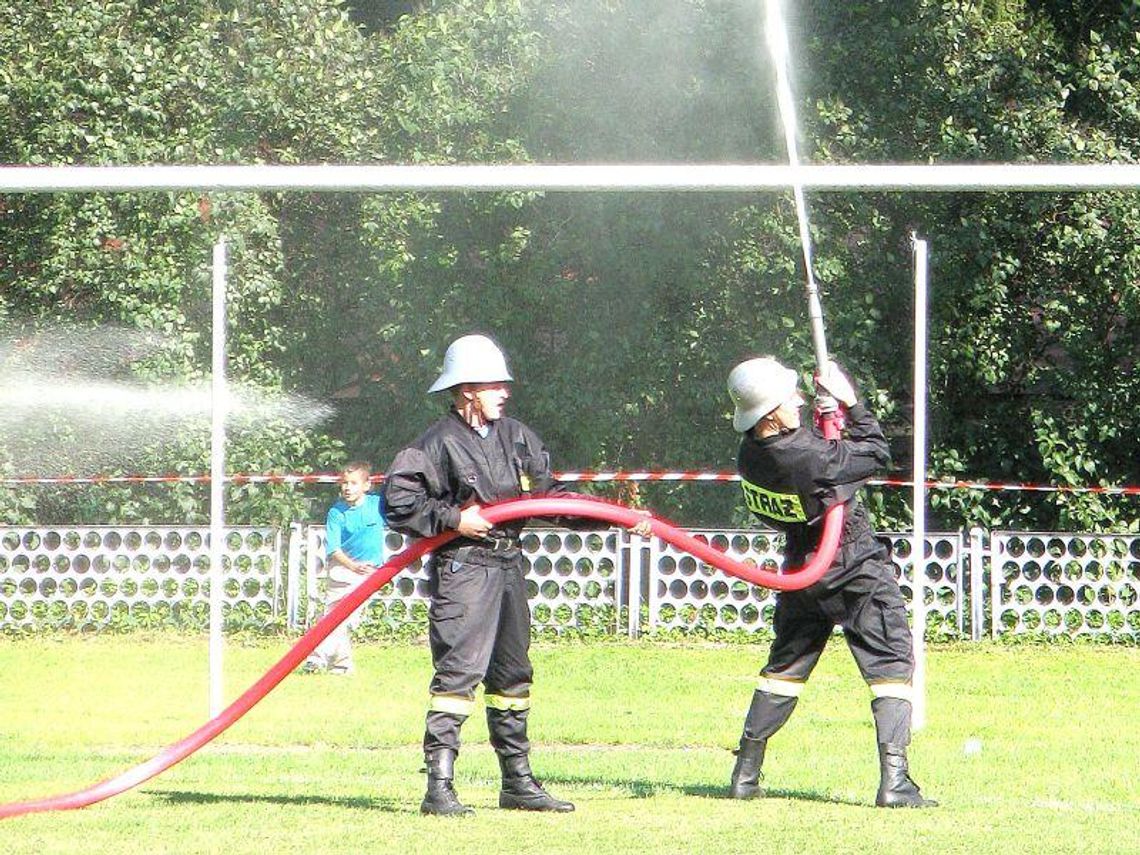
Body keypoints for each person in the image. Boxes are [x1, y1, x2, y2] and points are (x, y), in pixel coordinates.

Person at [383, 333, 649, 817]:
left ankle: (518, 784)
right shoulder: (434, 444)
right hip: (464, 567)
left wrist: (616, 517)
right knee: (459, 674)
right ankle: (439, 788)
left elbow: (551, 497)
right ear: (466, 390)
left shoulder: (518, 436)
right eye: (494, 385)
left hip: (509, 565)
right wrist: (455, 519)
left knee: (512, 676)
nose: (505, 392)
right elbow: (399, 504)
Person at [724, 355, 936, 808]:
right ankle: (895, 781)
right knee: (892, 664)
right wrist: (851, 402)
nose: (798, 400)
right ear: (771, 412)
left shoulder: (753, 454)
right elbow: (875, 452)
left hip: (802, 569)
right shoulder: (808, 457)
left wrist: (826, 419)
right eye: (790, 398)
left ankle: (745, 773)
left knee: (784, 669)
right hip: (853, 565)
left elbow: (819, 459)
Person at [301, 461, 386, 676]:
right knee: (335, 618)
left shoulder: (377, 505)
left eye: (354, 483)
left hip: (369, 573)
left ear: (367, 485)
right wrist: (353, 566)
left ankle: (320, 658)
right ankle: (336, 665)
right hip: (343, 570)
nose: (348, 488)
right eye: (344, 483)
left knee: (344, 619)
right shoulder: (336, 513)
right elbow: (333, 549)